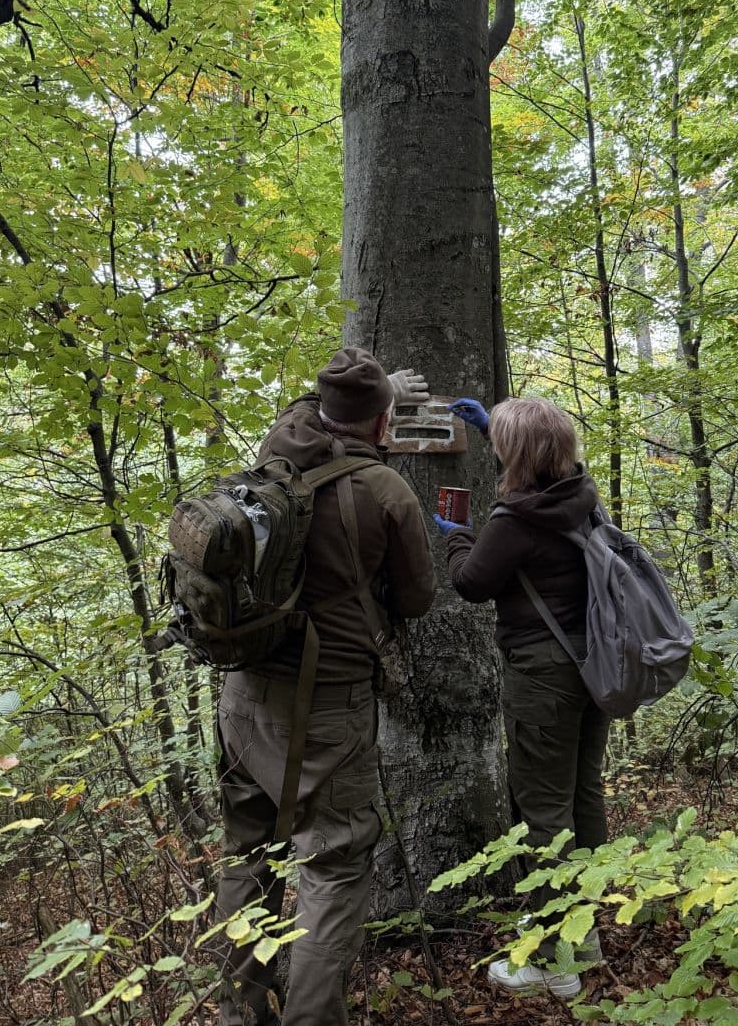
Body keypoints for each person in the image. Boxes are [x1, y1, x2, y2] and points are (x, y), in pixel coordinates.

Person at [216, 349, 436, 1026]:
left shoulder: (276, 453)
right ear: (382, 420)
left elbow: (303, 409)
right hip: (329, 702)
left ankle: (239, 1010)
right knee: (334, 868)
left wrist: (375, 394)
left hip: (245, 694)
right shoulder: (383, 490)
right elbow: (420, 597)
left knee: (246, 854)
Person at [434, 395, 610, 1001]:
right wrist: (494, 432)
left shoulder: (512, 521)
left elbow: (471, 583)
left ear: (518, 454)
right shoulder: (580, 497)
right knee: (583, 797)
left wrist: (458, 536)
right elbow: (536, 468)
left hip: (542, 674)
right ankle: (584, 932)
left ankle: (554, 959)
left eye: (504, 443)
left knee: (543, 810)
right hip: (594, 664)